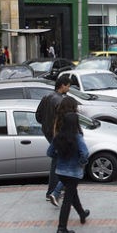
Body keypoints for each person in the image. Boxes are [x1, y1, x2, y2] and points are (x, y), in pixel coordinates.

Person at [47, 109, 90, 233]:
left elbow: (49, 153)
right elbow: (85, 153)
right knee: (67, 200)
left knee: (72, 194)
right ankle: (61, 229)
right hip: (73, 173)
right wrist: (81, 162)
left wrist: (60, 157)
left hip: (60, 172)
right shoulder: (77, 137)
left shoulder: (58, 136)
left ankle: (82, 214)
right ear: (75, 123)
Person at [36, 75, 72, 204]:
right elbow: (63, 121)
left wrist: (46, 127)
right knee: (58, 163)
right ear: (62, 86)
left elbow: (38, 116)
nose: (69, 88)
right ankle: (53, 192)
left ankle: (57, 191)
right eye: (68, 85)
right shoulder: (60, 101)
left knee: (58, 162)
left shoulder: (46, 97)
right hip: (57, 136)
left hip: (49, 134)